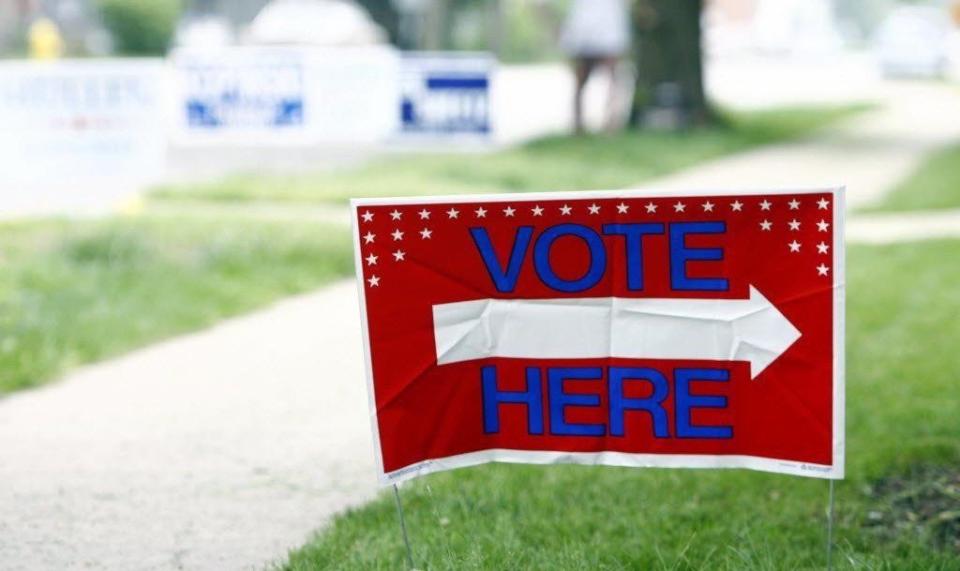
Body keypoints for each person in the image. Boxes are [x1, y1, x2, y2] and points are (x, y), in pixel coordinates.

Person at [560, 0, 631, 134]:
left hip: (608, 26)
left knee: (612, 80)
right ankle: (578, 126)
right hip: (584, 28)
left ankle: (611, 124)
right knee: (581, 80)